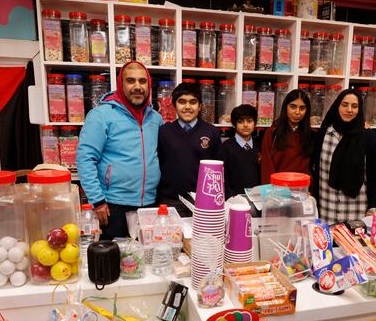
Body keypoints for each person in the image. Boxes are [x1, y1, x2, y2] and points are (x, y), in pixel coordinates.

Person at [76, 61, 161, 239]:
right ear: (120, 84)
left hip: (150, 205)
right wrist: (97, 201)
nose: (137, 86)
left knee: (146, 261)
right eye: (130, 81)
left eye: (142, 81)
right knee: (116, 262)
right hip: (112, 206)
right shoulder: (101, 115)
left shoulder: (156, 119)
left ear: (149, 85)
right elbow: (85, 159)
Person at [310, 88, 376, 224]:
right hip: (327, 212)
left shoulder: (369, 138)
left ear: (359, 109)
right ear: (337, 106)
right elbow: (314, 170)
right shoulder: (323, 135)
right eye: (345, 105)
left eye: (354, 106)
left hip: (356, 215)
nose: (349, 110)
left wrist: (374, 208)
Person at [157, 82, 220, 213]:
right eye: (182, 102)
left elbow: (219, 169)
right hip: (170, 200)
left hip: (203, 200)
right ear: (174, 105)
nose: (187, 107)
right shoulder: (164, 131)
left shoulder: (211, 132)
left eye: (192, 102)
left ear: (200, 106)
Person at [260, 89, 313, 183]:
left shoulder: (312, 134)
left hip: (301, 190)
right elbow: (266, 166)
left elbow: (312, 167)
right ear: (285, 107)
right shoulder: (272, 132)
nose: (297, 112)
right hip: (277, 190)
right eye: (293, 107)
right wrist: (271, 191)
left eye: (302, 108)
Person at [219, 104, 260, 198]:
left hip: (257, 199)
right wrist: (231, 198)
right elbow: (223, 177)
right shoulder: (226, 147)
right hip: (234, 199)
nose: (245, 125)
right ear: (234, 124)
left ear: (255, 123)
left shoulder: (259, 146)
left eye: (249, 121)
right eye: (241, 121)